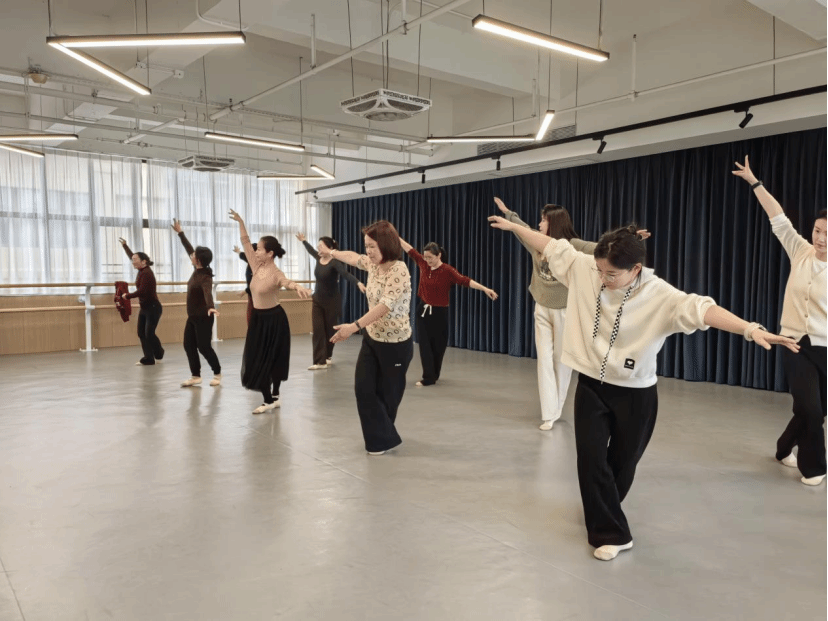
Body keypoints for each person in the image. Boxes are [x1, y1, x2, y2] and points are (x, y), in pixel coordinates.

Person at [489, 203, 798, 562]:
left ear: (635, 269)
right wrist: (515, 227)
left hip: (635, 394)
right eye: (599, 270)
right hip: (590, 385)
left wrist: (750, 329)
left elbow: (701, 309)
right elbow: (552, 246)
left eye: (611, 274)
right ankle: (613, 533)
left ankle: (604, 506)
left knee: (622, 464)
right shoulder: (585, 268)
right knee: (590, 459)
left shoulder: (659, 294)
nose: (602, 278)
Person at [733, 156, 827, 486]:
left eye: (827, 234)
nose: (820, 239)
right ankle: (815, 467)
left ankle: (783, 448)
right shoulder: (800, 251)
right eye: (817, 231)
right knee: (810, 410)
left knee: (814, 411)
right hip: (794, 343)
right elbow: (779, 219)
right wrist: (755, 183)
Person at [494, 198, 610, 429]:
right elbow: (522, 229)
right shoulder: (536, 243)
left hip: (565, 311)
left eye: (544, 221)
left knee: (561, 361)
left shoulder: (571, 245)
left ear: (554, 223)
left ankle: (556, 409)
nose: (539, 224)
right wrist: (508, 213)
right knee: (544, 361)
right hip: (542, 307)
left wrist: (629, 237)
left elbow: (598, 248)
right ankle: (549, 413)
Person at [324, 221, 413, 456]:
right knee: (363, 388)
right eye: (366, 246)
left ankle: (382, 439)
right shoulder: (372, 265)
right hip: (373, 338)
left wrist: (353, 327)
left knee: (388, 396)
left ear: (386, 244)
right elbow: (353, 258)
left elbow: (385, 306)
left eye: (372, 246)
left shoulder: (399, 270)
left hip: (396, 344)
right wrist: (332, 252)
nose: (368, 251)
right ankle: (381, 440)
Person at [229, 210, 312, 414]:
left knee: (274, 358)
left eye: (259, 249)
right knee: (256, 358)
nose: (255, 251)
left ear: (270, 253)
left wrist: (297, 287)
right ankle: (269, 398)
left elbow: (287, 282)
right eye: (256, 249)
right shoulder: (256, 266)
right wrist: (241, 222)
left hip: (274, 320)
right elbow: (245, 242)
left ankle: (273, 396)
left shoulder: (276, 273)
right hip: (258, 319)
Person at [397, 237, 498, 387]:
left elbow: (465, 280)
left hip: (440, 313)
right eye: (425, 257)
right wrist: (396, 237)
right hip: (423, 311)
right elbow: (410, 250)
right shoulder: (423, 264)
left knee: (439, 346)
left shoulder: (448, 270)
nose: (427, 260)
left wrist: (485, 289)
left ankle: (434, 373)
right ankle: (428, 377)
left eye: (430, 258)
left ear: (439, 255)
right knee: (425, 346)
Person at [296, 232, 366, 370]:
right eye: (318, 246)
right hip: (317, 300)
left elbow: (346, 274)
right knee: (318, 330)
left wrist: (358, 283)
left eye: (321, 246)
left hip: (332, 302)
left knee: (329, 331)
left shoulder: (335, 262)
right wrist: (303, 240)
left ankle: (328, 356)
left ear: (329, 248)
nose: (318, 249)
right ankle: (319, 362)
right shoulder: (318, 258)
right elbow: (310, 250)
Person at [171, 219, 222, 388]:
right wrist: (180, 233)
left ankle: (217, 373)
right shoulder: (197, 270)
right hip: (192, 316)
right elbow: (189, 249)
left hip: (204, 317)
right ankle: (195, 376)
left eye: (194, 256)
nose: (191, 256)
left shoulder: (205, 277)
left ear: (198, 260)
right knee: (188, 345)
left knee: (204, 347)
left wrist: (211, 307)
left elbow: (208, 293)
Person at [118, 237, 164, 365]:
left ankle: (159, 352)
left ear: (144, 261)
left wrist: (127, 296)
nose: (133, 261)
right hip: (145, 308)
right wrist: (125, 246)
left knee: (149, 333)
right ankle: (149, 358)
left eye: (135, 260)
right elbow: (132, 256)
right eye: (132, 260)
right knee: (141, 333)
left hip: (153, 308)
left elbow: (142, 291)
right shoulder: (141, 270)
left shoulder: (147, 273)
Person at [233, 242, 257, 325]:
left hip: (257, 295)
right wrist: (238, 251)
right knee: (250, 316)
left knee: (252, 316)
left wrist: (245, 291)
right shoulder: (250, 260)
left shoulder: (256, 264)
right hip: (251, 294)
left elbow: (255, 283)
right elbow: (242, 255)